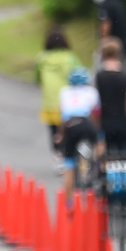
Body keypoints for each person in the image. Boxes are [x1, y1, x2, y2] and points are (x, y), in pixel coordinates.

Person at [56, 67, 100, 201]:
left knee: (69, 165)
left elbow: (62, 116)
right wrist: (97, 130)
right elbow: (96, 114)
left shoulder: (64, 92)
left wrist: (60, 135)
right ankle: (99, 164)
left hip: (70, 124)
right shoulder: (92, 91)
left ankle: (67, 202)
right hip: (85, 122)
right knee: (100, 140)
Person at [36, 26, 80, 160]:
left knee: (54, 132)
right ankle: (70, 155)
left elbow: (37, 78)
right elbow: (79, 75)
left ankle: (58, 155)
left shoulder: (41, 59)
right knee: (70, 130)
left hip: (49, 102)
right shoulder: (70, 58)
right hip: (68, 103)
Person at [95, 38, 126, 156]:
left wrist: (95, 128)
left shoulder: (97, 77)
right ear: (119, 54)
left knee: (104, 161)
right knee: (124, 160)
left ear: (102, 54)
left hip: (104, 123)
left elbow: (95, 104)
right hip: (122, 123)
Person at [90, 0, 126, 74]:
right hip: (125, 44)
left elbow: (105, 26)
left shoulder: (106, 6)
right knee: (124, 73)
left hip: (114, 48)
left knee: (112, 74)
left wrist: (102, 47)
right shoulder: (116, 2)